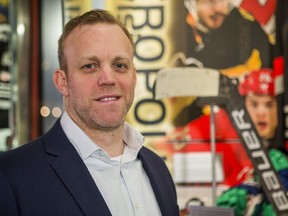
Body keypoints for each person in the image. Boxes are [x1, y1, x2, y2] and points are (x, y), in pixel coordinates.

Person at [0, 9, 179, 216]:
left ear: (134, 77)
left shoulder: (157, 168)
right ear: (62, 82)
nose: (108, 78)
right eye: (90, 66)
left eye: (120, 65)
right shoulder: (11, 176)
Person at [170, 0, 273, 127]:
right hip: (196, 130)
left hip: (240, 125)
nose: (218, 8)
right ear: (191, 3)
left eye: (223, 1)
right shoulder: (173, 32)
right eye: (209, 2)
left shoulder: (248, 26)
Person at [216, 68, 288, 216]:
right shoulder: (225, 148)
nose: (262, 113)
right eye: (254, 104)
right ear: (243, 105)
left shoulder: (279, 159)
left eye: (269, 105)